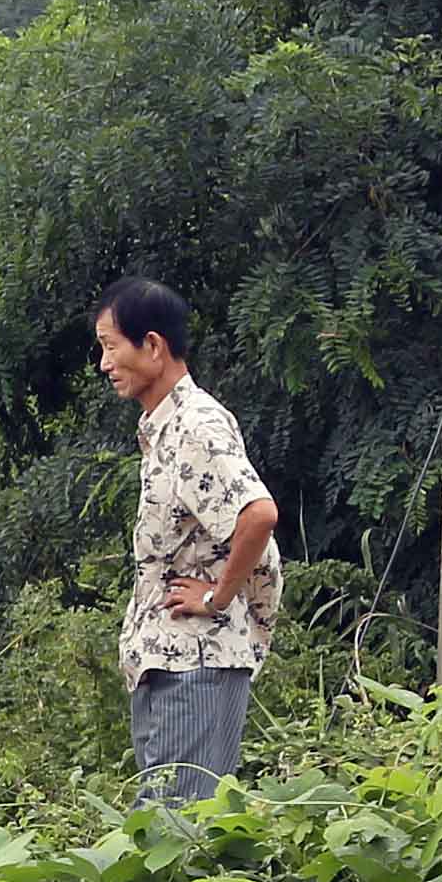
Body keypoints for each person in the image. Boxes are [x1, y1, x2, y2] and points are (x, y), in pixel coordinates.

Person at [93, 278, 279, 801]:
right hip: (170, 662)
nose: (105, 364)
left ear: (151, 345)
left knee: (178, 830)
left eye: (110, 346)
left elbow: (259, 514)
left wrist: (217, 595)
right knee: (165, 824)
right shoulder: (164, 426)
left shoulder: (196, 425)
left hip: (196, 664)